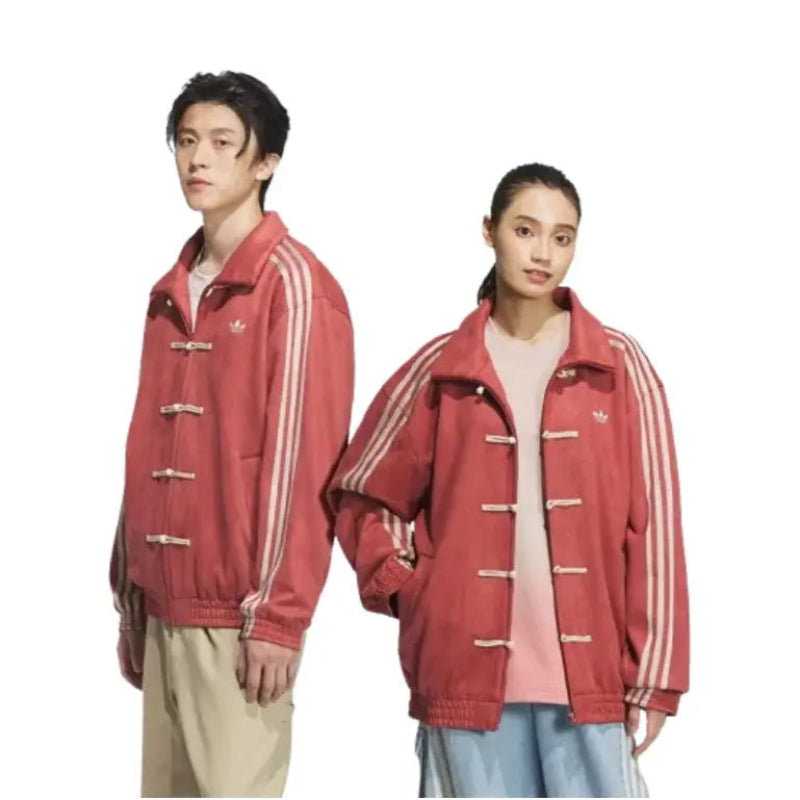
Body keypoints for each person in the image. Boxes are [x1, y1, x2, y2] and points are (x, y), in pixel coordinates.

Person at [327, 163, 689, 798]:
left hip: (590, 676)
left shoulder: (620, 366)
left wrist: (656, 674)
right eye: (525, 230)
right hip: (463, 675)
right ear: (489, 231)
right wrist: (414, 590)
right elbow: (362, 490)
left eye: (562, 237)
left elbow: (655, 526)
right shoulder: (440, 368)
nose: (543, 252)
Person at [109, 71, 354, 798]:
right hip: (163, 610)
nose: (198, 159)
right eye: (187, 141)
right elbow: (146, 447)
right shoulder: (169, 291)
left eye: (222, 143)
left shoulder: (296, 288)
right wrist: (131, 597)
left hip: (238, 618)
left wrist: (279, 617)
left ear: (266, 162)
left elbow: (305, 463)